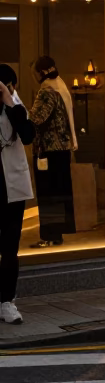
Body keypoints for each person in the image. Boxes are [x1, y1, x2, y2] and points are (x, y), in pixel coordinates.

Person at [29, 56, 77, 247]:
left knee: (49, 194)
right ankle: (56, 235)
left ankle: (49, 235)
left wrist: (15, 106)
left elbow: (37, 118)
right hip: (62, 149)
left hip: (49, 151)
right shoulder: (60, 86)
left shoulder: (46, 91)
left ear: (40, 72)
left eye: (34, 72)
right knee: (59, 193)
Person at [0, 66, 34, 326]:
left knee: (10, 248)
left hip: (12, 187)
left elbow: (28, 135)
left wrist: (10, 102)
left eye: (9, 86)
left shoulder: (17, 106)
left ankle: (7, 301)